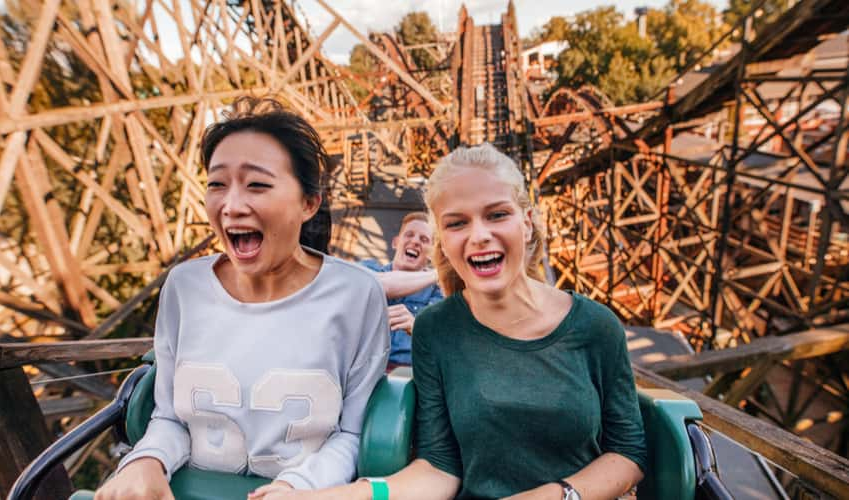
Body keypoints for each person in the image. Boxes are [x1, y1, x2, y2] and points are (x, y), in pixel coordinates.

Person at [308, 143, 647, 500]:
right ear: (444, 240)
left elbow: (628, 452)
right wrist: (345, 495)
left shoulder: (595, 326)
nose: (479, 235)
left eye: (497, 215)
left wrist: (556, 495)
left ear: (527, 224)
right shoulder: (435, 330)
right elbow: (440, 467)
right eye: (457, 223)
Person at [94, 97, 389, 500]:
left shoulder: (357, 295)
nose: (231, 206)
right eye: (217, 184)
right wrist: (147, 459)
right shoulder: (183, 287)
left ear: (309, 203)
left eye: (257, 185)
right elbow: (170, 418)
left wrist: (294, 488)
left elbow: (354, 433)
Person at [360, 212, 443, 368]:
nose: (415, 241)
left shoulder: (437, 292)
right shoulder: (368, 268)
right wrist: (440, 273)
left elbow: (442, 345)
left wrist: (417, 328)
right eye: (409, 235)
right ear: (395, 242)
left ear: (432, 253)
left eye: (424, 239)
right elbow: (380, 284)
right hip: (361, 370)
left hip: (406, 373)